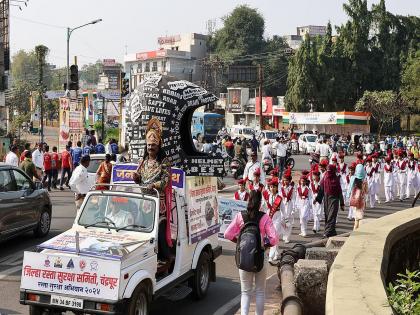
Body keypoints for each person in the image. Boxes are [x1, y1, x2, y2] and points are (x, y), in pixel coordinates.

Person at [224, 190, 278, 315]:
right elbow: (274, 239)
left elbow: (227, 234)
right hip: (260, 257)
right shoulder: (264, 217)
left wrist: (238, 242)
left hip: (243, 257)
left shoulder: (240, 216)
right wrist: (264, 246)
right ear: (260, 203)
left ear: (249, 201)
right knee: (260, 291)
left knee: (245, 292)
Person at [133, 117, 172, 262]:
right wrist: (136, 178)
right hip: (144, 201)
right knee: (142, 230)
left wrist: (154, 185)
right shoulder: (142, 161)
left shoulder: (164, 162)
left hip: (158, 202)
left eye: (153, 145)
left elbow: (165, 181)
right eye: (148, 145)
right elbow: (139, 180)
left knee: (158, 231)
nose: (150, 148)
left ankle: (163, 256)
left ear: (159, 145)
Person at [314, 164, 345, 238]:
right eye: (327, 171)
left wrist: (342, 204)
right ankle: (332, 232)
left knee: (332, 216)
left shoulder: (336, 179)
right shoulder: (325, 178)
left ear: (333, 171)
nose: (329, 173)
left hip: (334, 200)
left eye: (330, 171)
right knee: (328, 216)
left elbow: (339, 192)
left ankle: (327, 233)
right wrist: (317, 199)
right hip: (326, 200)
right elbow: (321, 189)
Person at [263, 177, 282, 264]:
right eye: (271, 187)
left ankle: (270, 255)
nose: (272, 188)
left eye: (274, 187)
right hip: (269, 217)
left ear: (276, 188)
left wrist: (285, 220)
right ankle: (277, 253)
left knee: (274, 235)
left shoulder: (279, 197)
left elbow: (283, 210)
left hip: (277, 217)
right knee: (272, 236)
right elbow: (264, 206)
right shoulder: (267, 197)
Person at [346, 164, 368, 230]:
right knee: (360, 215)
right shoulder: (365, 181)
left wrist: (348, 196)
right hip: (361, 200)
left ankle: (356, 227)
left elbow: (349, 188)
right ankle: (356, 228)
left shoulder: (353, 178)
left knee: (356, 215)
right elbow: (366, 191)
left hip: (355, 199)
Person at [279, 168, 295, 243]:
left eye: (287, 180)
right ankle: (284, 233)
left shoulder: (292, 189)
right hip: (283, 205)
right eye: (284, 180)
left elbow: (294, 198)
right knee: (282, 220)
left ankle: (287, 236)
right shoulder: (281, 188)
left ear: (289, 181)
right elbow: (279, 197)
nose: (285, 182)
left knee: (288, 221)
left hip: (289, 205)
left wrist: (294, 208)